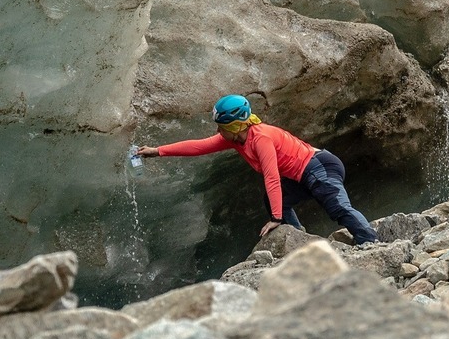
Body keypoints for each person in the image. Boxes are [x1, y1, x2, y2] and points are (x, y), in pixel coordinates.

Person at [133, 94, 379, 246]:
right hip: (302, 175)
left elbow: (272, 176)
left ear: (236, 124)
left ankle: (370, 242)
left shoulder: (260, 138)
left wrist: (275, 219)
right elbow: (200, 146)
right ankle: (296, 240)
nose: (218, 131)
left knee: (336, 208)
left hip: (319, 167)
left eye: (221, 126)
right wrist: (158, 150)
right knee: (276, 202)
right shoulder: (234, 138)